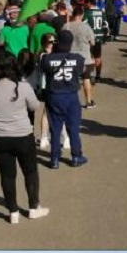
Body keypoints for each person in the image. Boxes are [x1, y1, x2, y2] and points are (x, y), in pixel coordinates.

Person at [0, 55, 47, 224]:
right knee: (30, 172)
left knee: (7, 175)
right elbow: (35, 105)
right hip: (22, 135)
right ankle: (33, 207)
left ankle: (13, 211)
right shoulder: (23, 86)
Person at [40, 30, 87, 168]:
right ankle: (76, 156)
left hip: (54, 95)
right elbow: (83, 70)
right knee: (73, 128)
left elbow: (43, 68)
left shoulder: (47, 59)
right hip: (71, 95)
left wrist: (54, 51)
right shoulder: (77, 58)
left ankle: (54, 159)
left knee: (55, 129)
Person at [64, 6, 96, 109]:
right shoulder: (86, 27)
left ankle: (70, 102)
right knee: (86, 79)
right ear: (82, 15)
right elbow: (92, 42)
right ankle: (89, 101)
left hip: (70, 57)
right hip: (85, 58)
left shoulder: (66, 26)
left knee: (70, 80)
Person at [83, 0, 107, 83]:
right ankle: (98, 76)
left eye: (85, 3)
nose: (84, 4)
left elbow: (83, 25)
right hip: (99, 37)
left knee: (90, 57)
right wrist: (104, 35)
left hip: (89, 38)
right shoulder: (101, 12)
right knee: (98, 57)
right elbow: (105, 25)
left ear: (89, 3)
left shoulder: (87, 13)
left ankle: (91, 75)